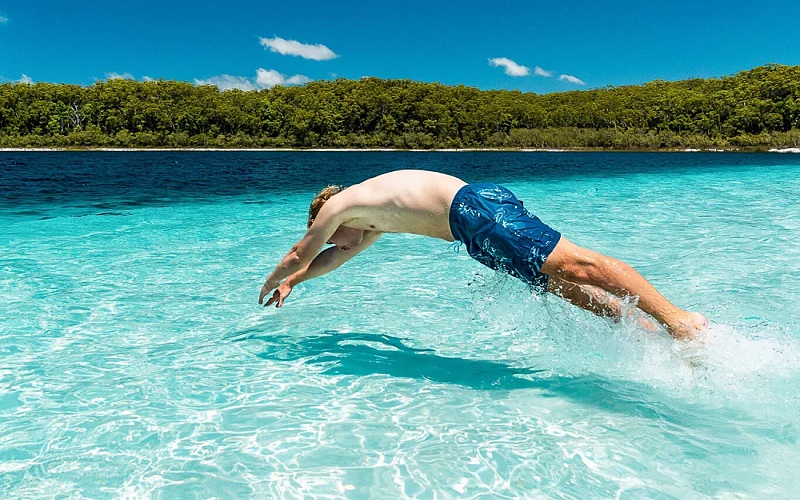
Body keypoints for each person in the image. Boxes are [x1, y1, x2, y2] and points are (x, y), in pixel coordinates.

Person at [259, 170, 707, 340]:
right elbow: (333, 260)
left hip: (474, 210)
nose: (337, 244)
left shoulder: (343, 203)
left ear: (332, 221)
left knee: (576, 264)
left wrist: (267, 281)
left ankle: (679, 319)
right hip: (472, 232)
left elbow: (303, 251)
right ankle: (646, 328)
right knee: (560, 285)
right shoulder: (372, 220)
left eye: (334, 236)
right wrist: (292, 282)